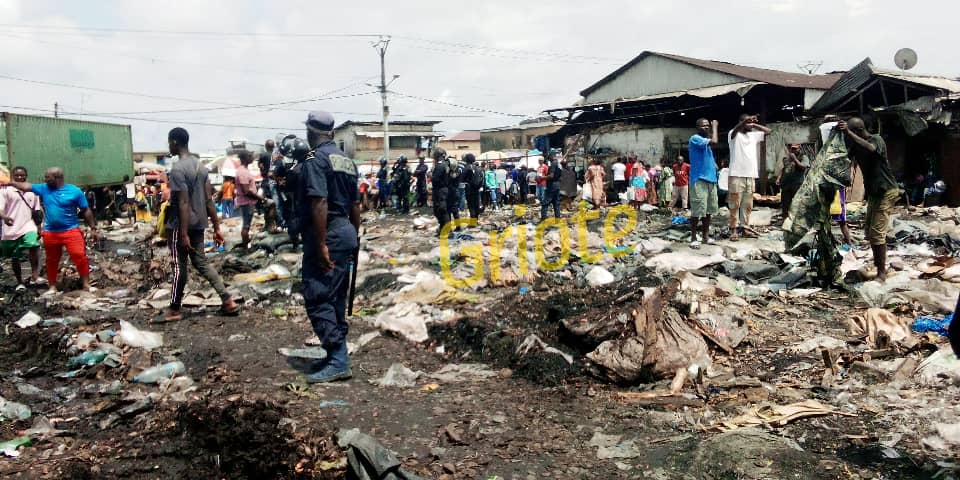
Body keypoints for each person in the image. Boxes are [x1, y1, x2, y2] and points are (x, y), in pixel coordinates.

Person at [296, 111, 361, 383]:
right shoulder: (346, 161)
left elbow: (319, 202)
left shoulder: (315, 159)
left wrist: (321, 243)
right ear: (332, 133)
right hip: (346, 231)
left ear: (311, 133)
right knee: (336, 297)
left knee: (317, 294)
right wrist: (354, 239)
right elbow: (357, 205)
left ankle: (337, 358)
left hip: (329, 233)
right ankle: (336, 354)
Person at [161, 128, 239, 322]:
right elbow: (209, 201)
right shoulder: (201, 167)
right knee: (201, 262)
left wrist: (184, 233)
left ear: (175, 142)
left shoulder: (178, 169)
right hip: (199, 223)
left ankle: (174, 308)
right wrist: (217, 227)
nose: (169, 146)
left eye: (169, 142)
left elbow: (183, 202)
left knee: (179, 266)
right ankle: (227, 300)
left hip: (181, 225)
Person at [3, 167, 101, 295]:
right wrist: (10, 183)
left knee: (79, 256)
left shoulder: (74, 191)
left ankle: (86, 284)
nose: (45, 179)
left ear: (57, 178)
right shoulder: (44, 188)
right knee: (51, 260)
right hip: (51, 232)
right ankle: (52, 287)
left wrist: (93, 228)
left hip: (71, 230)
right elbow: (26, 186)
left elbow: (86, 210)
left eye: (47, 177)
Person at [841, 117, 899, 282]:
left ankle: (881, 273)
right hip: (874, 193)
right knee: (869, 231)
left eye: (851, 133)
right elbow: (844, 157)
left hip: (887, 190)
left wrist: (848, 133)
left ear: (858, 130)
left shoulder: (876, 140)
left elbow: (871, 149)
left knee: (877, 234)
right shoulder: (856, 145)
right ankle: (878, 265)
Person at [727, 114, 771, 241]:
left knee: (747, 205)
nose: (750, 124)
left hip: (750, 175)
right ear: (741, 122)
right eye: (747, 122)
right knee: (734, 204)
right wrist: (745, 122)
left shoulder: (753, 136)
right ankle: (733, 230)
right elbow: (736, 130)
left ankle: (745, 229)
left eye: (751, 122)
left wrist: (754, 124)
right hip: (736, 175)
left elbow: (769, 131)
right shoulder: (734, 135)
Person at [0, 166, 43, 290]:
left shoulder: (32, 191)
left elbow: (36, 211)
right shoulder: (5, 191)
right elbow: (0, 209)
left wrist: (39, 228)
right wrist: (5, 218)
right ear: (12, 177)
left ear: (26, 176)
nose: (19, 177)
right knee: (15, 256)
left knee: (33, 245)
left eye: (22, 175)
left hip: (28, 225)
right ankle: (20, 282)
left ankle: (35, 275)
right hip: (11, 229)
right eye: (17, 175)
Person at [688, 118, 720, 248]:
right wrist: (715, 126)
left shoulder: (706, 147)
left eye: (708, 126)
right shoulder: (695, 138)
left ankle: (705, 236)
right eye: (703, 126)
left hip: (711, 180)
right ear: (697, 127)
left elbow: (709, 158)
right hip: (699, 179)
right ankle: (694, 237)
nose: (706, 128)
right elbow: (715, 141)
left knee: (708, 211)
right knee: (697, 211)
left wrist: (714, 165)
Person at [235, 150, 269, 250]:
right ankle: (246, 247)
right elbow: (246, 191)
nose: (252, 158)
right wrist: (260, 198)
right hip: (246, 202)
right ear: (245, 158)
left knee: (247, 224)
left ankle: (246, 245)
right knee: (246, 225)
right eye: (250, 156)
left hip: (247, 202)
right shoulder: (242, 172)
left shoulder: (243, 170)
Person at [776, 144, 809, 219]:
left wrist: (795, 159)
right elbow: (784, 169)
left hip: (797, 184)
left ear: (799, 148)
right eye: (792, 149)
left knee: (798, 204)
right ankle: (785, 221)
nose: (793, 150)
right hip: (786, 184)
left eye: (795, 149)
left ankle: (797, 222)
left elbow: (803, 167)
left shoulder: (803, 157)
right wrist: (779, 178)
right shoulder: (787, 158)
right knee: (785, 204)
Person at [431, 149, 452, 236]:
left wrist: (430, 176)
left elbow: (435, 179)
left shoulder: (440, 166)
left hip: (440, 190)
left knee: (441, 210)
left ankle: (447, 230)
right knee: (440, 210)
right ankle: (443, 228)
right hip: (444, 189)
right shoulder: (446, 164)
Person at [541, 154, 562, 221]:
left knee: (545, 203)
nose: (548, 160)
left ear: (551, 156)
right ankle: (558, 219)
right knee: (556, 203)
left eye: (548, 158)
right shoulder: (559, 164)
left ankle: (543, 219)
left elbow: (551, 176)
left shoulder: (553, 164)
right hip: (557, 185)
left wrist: (542, 177)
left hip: (552, 185)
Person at [463, 154, 483, 219]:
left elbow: (462, 178)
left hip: (469, 189)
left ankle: (473, 221)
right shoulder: (478, 168)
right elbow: (482, 178)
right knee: (476, 203)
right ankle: (476, 219)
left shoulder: (466, 168)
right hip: (476, 188)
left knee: (471, 205)